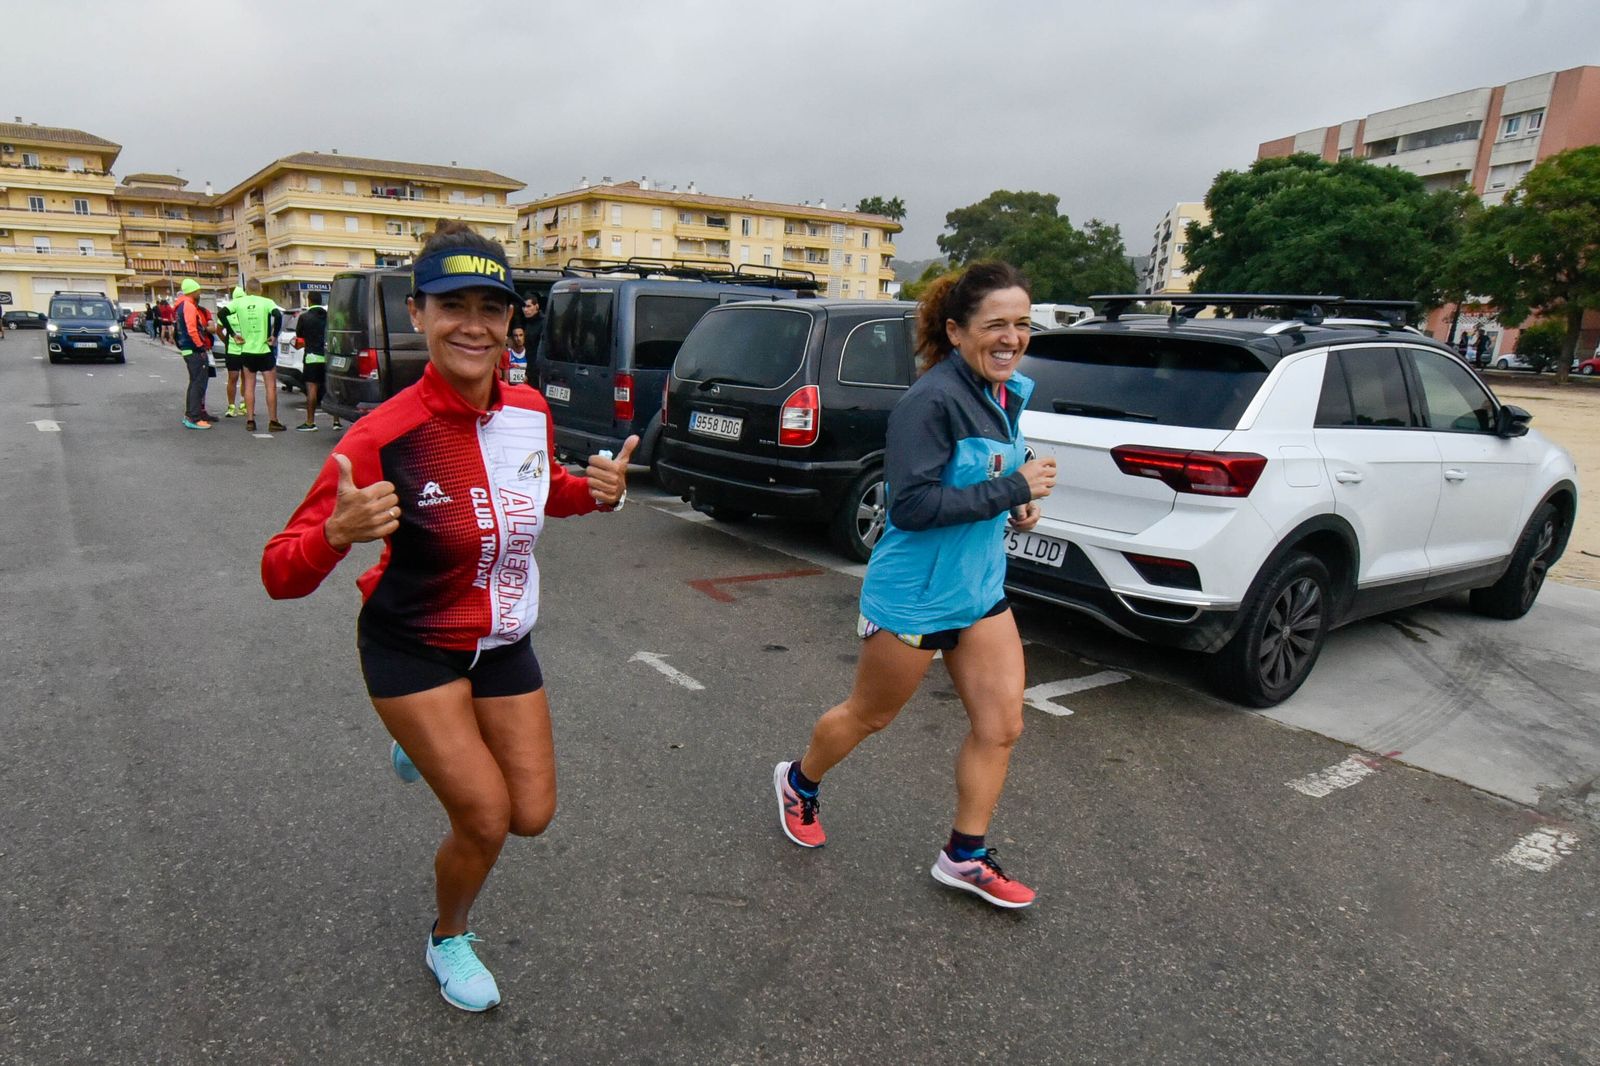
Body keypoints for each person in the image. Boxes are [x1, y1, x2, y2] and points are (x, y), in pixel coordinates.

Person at [262, 221, 636, 1013]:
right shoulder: (383, 435)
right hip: (414, 648)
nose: (473, 325)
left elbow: (539, 493)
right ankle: (449, 936)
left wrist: (595, 492)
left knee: (533, 814)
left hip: (503, 642)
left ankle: (428, 745)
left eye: (489, 308)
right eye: (451, 305)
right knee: (487, 819)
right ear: (417, 313)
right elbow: (278, 573)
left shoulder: (528, 410)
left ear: (511, 321)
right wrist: (336, 534)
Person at [771, 260, 1057, 909]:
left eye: (1022, 324)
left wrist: (1016, 502)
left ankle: (964, 856)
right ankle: (799, 782)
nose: (1011, 337)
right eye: (996, 324)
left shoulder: (1006, 392)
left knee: (1002, 725)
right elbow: (913, 507)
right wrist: (1013, 486)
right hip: (915, 595)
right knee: (870, 714)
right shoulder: (929, 403)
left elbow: (989, 472)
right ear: (956, 331)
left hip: (978, 590)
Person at [231, 278, 285, 432]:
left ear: (246, 290)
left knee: (249, 386)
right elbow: (278, 315)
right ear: (260, 289)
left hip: (247, 350)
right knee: (270, 387)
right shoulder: (267, 302)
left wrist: (233, 334)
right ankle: (273, 421)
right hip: (264, 349)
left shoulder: (239, 302)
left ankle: (250, 420)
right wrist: (274, 335)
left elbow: (222, 314)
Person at [172, 278, 215, 429]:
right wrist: (200, 346)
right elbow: (192, 329)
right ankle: (194, 418)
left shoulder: (180, 306)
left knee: (194, 383)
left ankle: (190, 415)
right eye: (198, 290)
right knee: (198, 384)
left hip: (187, 348)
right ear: (193, 291)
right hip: (194, 349)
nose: (200, 293)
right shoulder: (189, 306)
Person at [293, 296, 331, 431]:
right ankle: (336, 422)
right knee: (331, 390)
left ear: (309, 300)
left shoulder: (304, 317)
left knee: (312, 390)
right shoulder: (328, 316)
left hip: (312, 357)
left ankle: (310, 422)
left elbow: (299, 336)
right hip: (328, 357)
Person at [217, 286, 248, 417]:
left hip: (246, 350)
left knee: (246, 378)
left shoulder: (247, 311)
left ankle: (243, 404)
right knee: (233, 378)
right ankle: (231, 406)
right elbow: (219, 330)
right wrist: (227, 342)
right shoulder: (228, 311)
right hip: (233, 351)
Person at [520, 292, 544, 361]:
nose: (525, 309)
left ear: (536, 306)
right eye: (523, 306)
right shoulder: (523, 322)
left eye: (528, 306)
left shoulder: (543, 323)